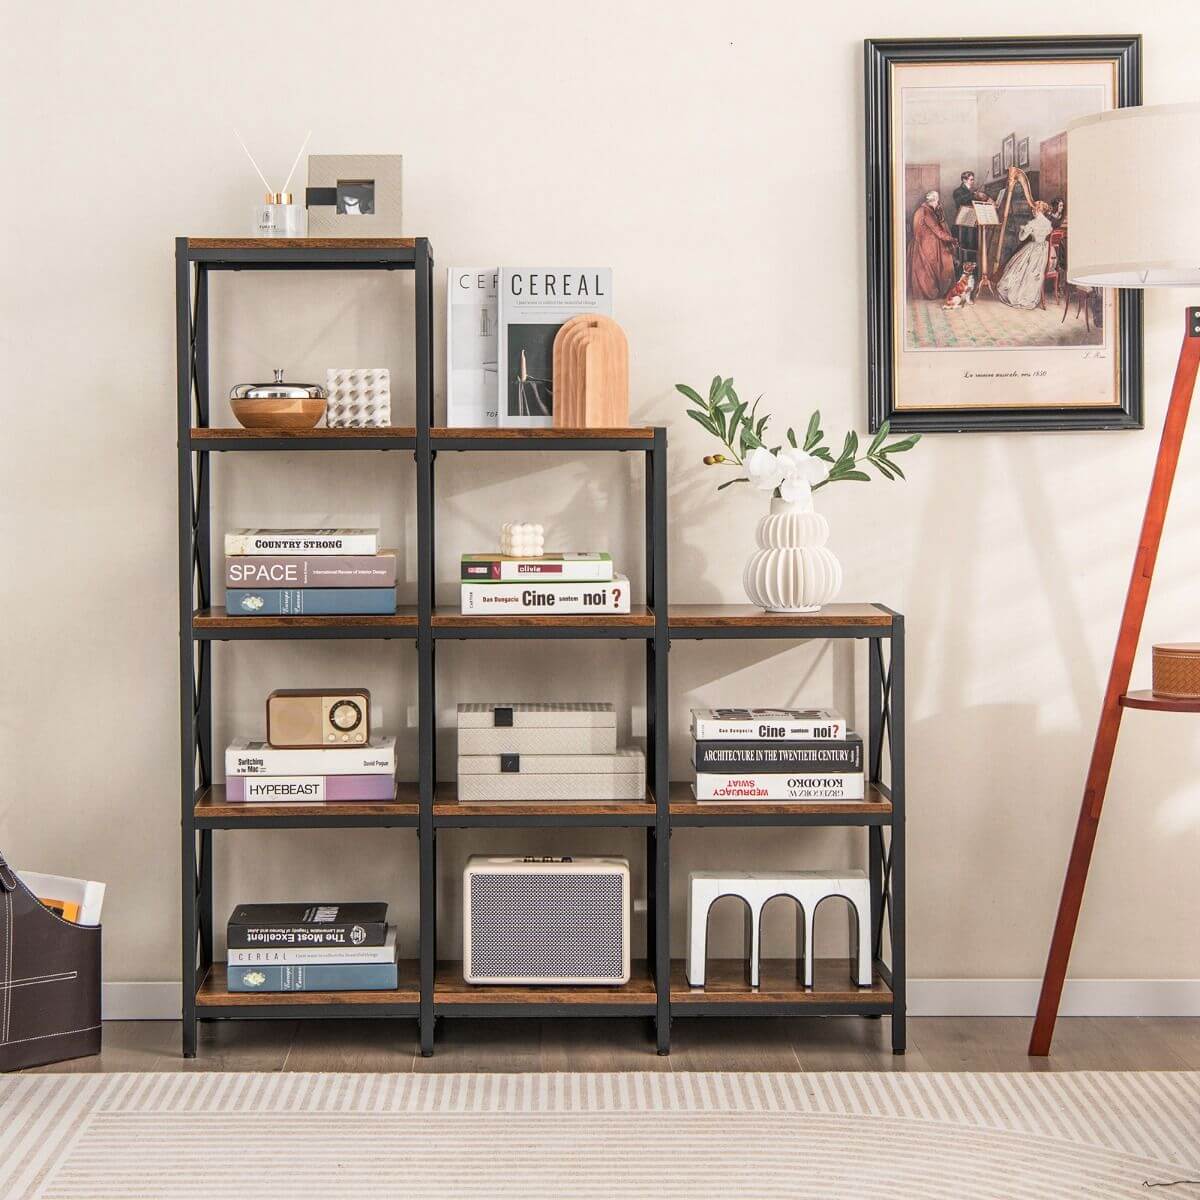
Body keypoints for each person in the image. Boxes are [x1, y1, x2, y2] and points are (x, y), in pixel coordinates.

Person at [997, 200, 1054, 310]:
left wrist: (1022, 230)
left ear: (1036, 210)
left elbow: (1021, 238)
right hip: (1044, 251)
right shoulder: (1048, 223)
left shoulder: (1032, 223)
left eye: (1033, 209)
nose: (1032, 211)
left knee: (1016, 268)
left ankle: (1019, 296)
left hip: (1034, 250)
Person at [907, 190, 957, 301]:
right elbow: (938, 231)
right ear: (934, 201)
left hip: (918, 243)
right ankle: (944, 290)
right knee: (946, 258)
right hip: (927, 245)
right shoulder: (927, 212)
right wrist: (951, 239)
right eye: (937, 201)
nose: (938, 203)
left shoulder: (920, 210)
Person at [951, 171, 990, 264]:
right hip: (963, 223)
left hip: (973, 222)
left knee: (974, 245)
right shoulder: (957, 191)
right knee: (966, 246)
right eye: (971, 180)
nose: (973, 182)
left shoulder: (971, 192)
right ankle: (966, 267)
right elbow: (961, 200)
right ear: (964, 180)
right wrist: (974, 195)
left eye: (973, 179)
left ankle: (973, 266)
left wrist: (984, 198)